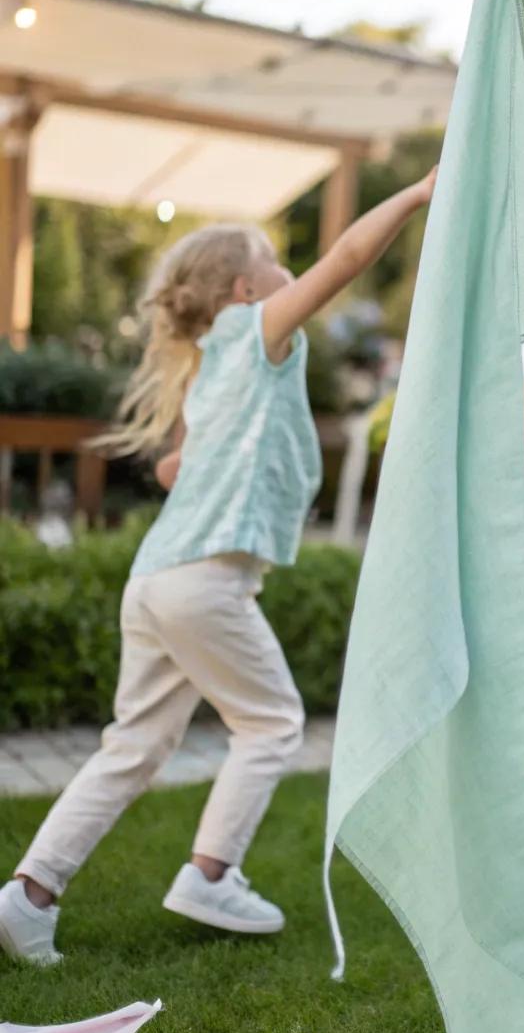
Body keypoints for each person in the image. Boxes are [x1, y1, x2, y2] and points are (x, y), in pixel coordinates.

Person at [0, 170, 435, 966]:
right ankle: (211, 874)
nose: (287, 269)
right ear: (246, 289)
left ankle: (28, 897)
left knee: (133, 746)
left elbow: (176, 470)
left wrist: (195, 467)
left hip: (155, 580)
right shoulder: (256, 332)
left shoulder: (210, 371)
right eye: (273, 259)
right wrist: (413, 197)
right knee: (272, 723)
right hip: (203, 582)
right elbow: (344, 258)